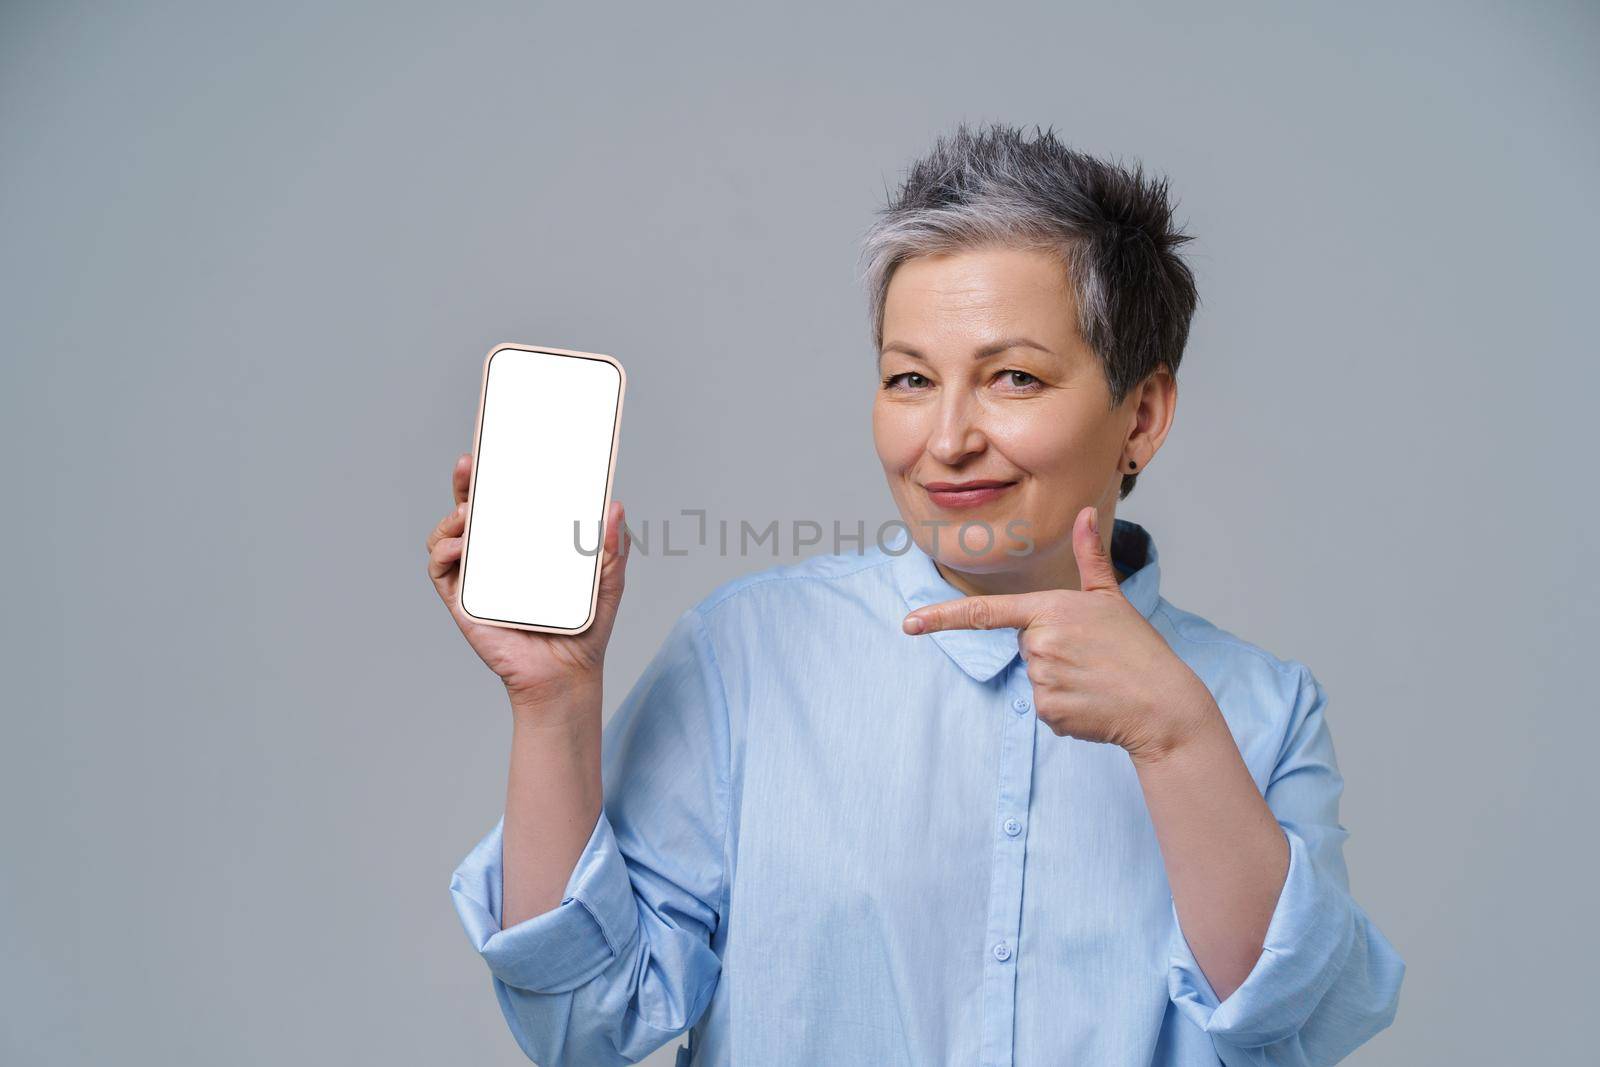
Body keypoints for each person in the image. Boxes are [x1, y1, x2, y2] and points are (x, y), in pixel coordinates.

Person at [426, 122, 1405, 1066]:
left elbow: (1295, 1026)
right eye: (907, 379)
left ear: (1140, 414)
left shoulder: (1258, 709)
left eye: (1012, 377)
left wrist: (1177, 738)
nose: (944, 439)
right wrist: (551, 705)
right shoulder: (747, 657)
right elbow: (581, 1023)